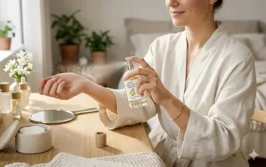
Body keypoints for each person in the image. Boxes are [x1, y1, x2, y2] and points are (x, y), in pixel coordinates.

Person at [39, 0, 257, 166]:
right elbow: (138, 103)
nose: (171, 2)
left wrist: (166, 98)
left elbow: (224, 138)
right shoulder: (162, 47)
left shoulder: (237, 57)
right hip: (165, 158)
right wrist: (86, 85)